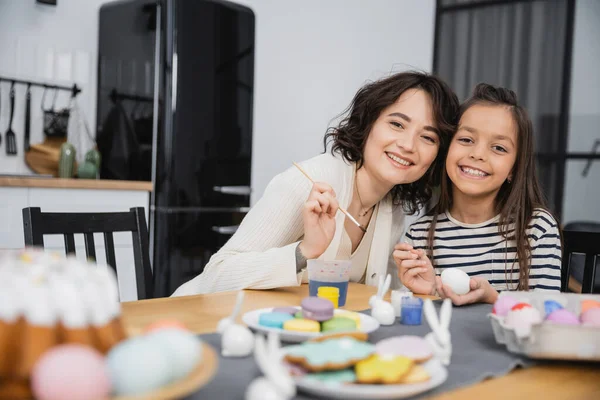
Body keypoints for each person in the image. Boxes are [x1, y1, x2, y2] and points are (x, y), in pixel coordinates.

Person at [172, 71, 459, 296]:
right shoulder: (308, 184)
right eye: (397, 124)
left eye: (428, 137)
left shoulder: (392, 209)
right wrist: (305, 251)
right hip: (197, 326)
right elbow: (216, 275)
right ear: (369, 123)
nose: (409, 145)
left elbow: (369, 296)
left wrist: (413, 286)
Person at [394, 83, 562, 305]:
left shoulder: (536, 227)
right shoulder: (420, 234)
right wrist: (430, 289)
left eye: (499, 148)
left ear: (514, 168)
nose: (478, 154)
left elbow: (550, 313)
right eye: (466, 140)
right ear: (446, 149)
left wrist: (493, 299)